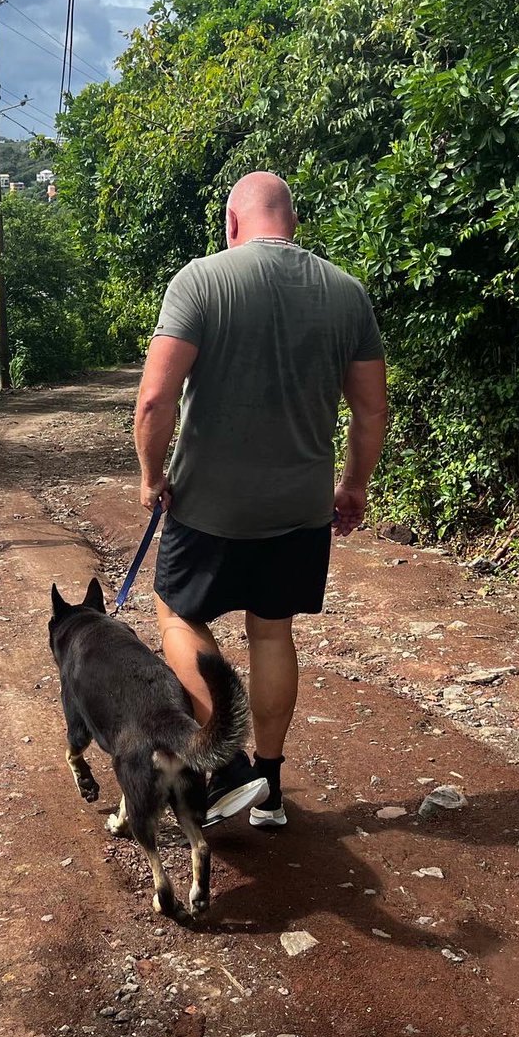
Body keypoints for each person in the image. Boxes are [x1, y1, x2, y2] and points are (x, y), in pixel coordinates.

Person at [134, 171, 387, 829]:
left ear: (232, 223)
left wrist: (150, 473)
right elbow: (370, 411)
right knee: (272, 631)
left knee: (176, 614)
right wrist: (353, 486)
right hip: (299, 507)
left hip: (209, 506)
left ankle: (226, 765)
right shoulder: (346, 293)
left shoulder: (200, 281)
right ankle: (270, 787)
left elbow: (156, 400)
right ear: (293, 224)